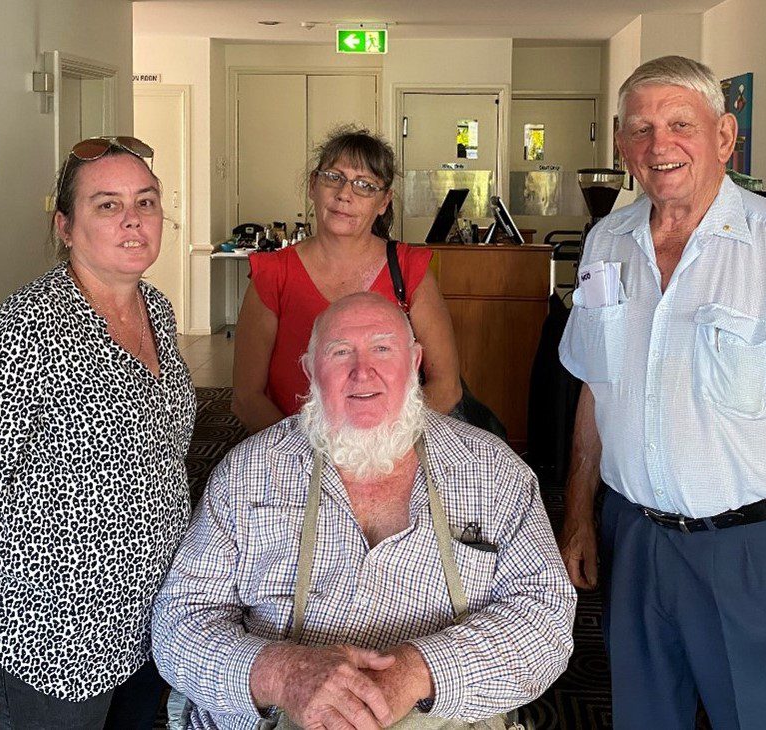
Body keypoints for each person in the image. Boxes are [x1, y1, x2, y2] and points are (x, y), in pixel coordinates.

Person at [557, 56, 766, 728]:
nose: (658, 144)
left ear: (723, 136)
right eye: (640, 128)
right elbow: (595, 390)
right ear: (623, 146)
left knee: (763, 718)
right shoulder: (605, 243)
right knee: (645, 718)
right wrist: (577, 516)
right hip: (638, 543)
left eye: (680, 123)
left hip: (756, 553)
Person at [153, 292, 575, 729]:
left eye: (382, 348)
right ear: (310, 370)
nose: (362, 371)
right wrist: (283, 674)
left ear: (414, 363)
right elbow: (179, 621)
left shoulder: (493, 471)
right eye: (340, 353)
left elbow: (547, 619)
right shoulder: (247, 473)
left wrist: (415, 673)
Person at [0, 136, 196, 729]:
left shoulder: (157, 309)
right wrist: (1, 603)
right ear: (65, 225)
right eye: (106, 205)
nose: (132, 221)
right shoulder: (26, 328)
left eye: (145, 202)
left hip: (151, 618)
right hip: (52, 637)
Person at [233, 127, 461, 433]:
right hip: (296, 461)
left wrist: (378, 452)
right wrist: (306, 457)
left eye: (364, 185)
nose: (344, 194)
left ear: (383, 202)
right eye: (333, 177)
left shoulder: (409, 268)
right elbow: (247, 398)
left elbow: (446, 387)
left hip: (389, 455)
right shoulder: (273, 273)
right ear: (314, 185)